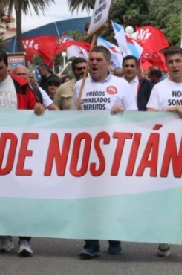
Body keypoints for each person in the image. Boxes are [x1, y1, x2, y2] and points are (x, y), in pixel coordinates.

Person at [0, 48, 45, 257]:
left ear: (7, 67)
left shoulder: (21, 85)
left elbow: (35, 106)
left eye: (0, 68)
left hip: (20, 150)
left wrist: (39, 107)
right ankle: (4, 236)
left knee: (22, 196)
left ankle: (25, 240)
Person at [73, 46, 136, 259]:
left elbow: (135, 115)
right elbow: (74, 116)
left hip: (113, 151)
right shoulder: (79, 86)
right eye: (91, 59)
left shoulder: (122, 85)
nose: (94, 63)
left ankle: (113, 237)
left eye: (99, 59)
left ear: (109, 63)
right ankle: (90, 243)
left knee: (111, 195)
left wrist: (122, 111)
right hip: (87, 151)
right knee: (89, 198)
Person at [147, 47, 182, 265]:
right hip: (167, 151)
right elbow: (150, 117)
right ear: (166, 65)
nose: (174, 65)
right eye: (170, 62)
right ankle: (165, 238)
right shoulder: (159, 89)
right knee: (168, 197)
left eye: (178, 61)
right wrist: (171, 109)